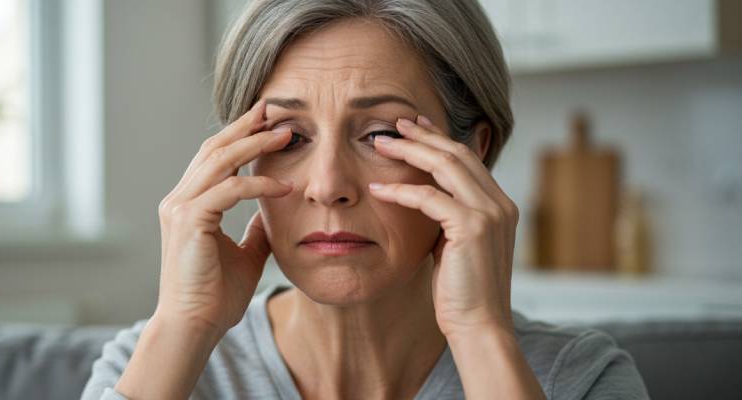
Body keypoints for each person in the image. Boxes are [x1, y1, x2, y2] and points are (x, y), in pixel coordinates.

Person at [82, 0, 650, 399]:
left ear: (471, 155)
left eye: (382, 134)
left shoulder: (578, 380)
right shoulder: (150, 367)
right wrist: (183, 324)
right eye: (290, 138)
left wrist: (480, 332)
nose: (328, 186)